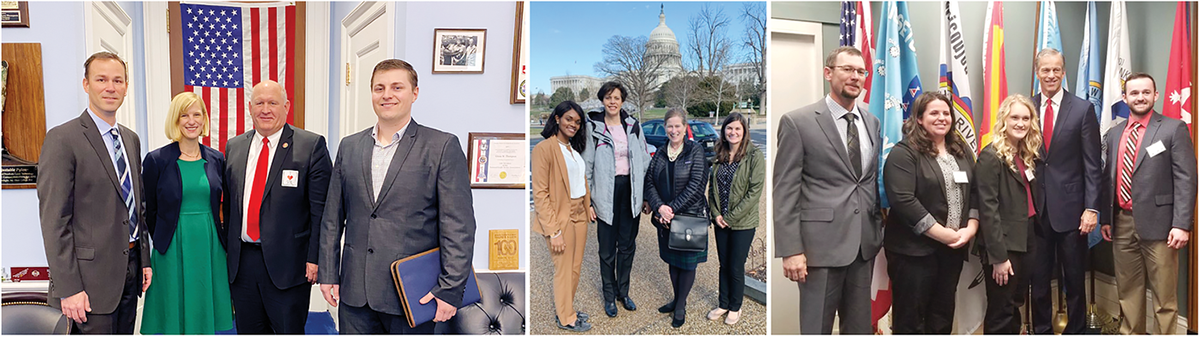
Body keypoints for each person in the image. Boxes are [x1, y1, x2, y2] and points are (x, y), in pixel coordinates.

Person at [318, 59, 476, 334]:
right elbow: (332, 218)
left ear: (414, 93)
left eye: (396, 87)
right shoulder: (349, 146)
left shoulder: (441, 146)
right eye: (379, 88)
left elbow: (458, 226)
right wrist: (329, 273)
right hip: (355, 295)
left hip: (413, 294)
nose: (387, 95)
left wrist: (450, 289)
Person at [38, 51, 152, 334]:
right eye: (101, 79)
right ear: (86, 84)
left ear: (126, 87)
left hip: (130, 272)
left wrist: (144, 260)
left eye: (118, 80)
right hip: (87, 285)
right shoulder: (63, 139)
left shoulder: (130, 139)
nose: (110, 87)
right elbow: (55, 221)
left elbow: (138, 206)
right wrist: (69, 288)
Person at [773, 46, 882, 334]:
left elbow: (866, 182)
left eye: (861, 71)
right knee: (816, 328)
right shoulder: (798, 122)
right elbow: (784, 190)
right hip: (818, 250)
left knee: (859, 329)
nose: (855, 77)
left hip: (863, 247)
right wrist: (791, 250)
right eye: (847, 69)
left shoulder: (872, 123)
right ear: (828, 72)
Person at [223, 80, 332, 334]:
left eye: (273, 103)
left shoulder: (310, 146)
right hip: (243, 265)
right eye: (259, 103)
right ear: (250, 107)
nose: (266, 109)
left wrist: (316, 259)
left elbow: (322, 212)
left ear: (286, 106)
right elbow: (229, 206)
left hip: (289, 265)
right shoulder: (234, 146)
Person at [1098, 73, 1196, 335]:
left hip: (1162, 226)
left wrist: (1181, 224)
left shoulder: (1173, 128)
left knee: (1164, 298)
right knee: (1128, 293)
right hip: (1122, 223)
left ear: (1156, 95)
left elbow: (1187, 179)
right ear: (1124, 97)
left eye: (1145, 92)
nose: (1139, 97)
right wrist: (1106, 219)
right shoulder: (1114, 134)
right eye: (1134, 93)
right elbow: (1109, 178)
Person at [882, 92, 978, 334]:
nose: (942, 118)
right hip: (913, 253)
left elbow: (976, 190)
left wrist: (971, 228)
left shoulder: (961, 150)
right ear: (920, 119)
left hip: (952, 251)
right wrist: (942, 234)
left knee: (942, 316)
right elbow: (903, 200)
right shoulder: (904, 153)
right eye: (934, 113)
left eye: (946, 113)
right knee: (911, 320)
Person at [139, 92, 233, 334]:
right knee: (173, 311)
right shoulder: (156, 160)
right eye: (184, 115)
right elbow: (147, 209)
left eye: (196, 114)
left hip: (209, 244)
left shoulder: (217, 159)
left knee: (204, 306)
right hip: (172, 244)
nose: (191, 121)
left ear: (204, 119)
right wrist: (162, 237)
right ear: (175, 120)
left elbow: (223, 203)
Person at [1029, 48, 1102, 335]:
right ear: (1038, 73)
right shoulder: (1026, 108)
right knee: (1038, 280)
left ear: (1063, 71)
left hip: (1073, 212)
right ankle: (1043, 330)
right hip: (1035, 210)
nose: (1051, 75)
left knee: (1073, 279)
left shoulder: (1082, 109)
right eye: (1045, 70)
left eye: (1056, 69)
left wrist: (1092, 208)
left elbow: (1092, 165)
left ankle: (1077, 330)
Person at [975, 95, 1043, 334]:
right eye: (1015, 117)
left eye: (1026, 118)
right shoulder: (990, 156)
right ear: (1004, 119)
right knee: (1001, 308)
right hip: (1004, 245)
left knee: (1015, 303)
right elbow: (988, 209)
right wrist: (999, 257)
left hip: (1027, 238)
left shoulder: (1026, 154)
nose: (1020, 123)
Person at [583, 81, 651, 317]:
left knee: (627, 247)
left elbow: (643, 160)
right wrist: (589, 201)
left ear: (623, 101)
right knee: (606, 250)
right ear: (602, 100)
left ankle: (623, 292)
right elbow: (587, 165)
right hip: (605, 193)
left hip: (629, 191)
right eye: (609, 97)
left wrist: (645, 196)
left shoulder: (633, 126)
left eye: (617, 98)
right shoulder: (593, 127)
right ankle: (609, 296)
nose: (613, 102)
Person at [644, 108, 709, 328]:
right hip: (665, 219)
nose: (673, 130)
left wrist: (670, 208)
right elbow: (649, 182)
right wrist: (659, 207)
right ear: (665, 128)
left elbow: (697, 186)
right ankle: (676, 298)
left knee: (688, 265)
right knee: (673, 262)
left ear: (684, 127)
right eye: (669, 126)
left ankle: (680, 305)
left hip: (689, 218)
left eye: (677, 126)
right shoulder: (661, 153)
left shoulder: (695, 151)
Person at [531, 100, 593, 332]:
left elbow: (580, 181)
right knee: (563, 269)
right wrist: (553, 231)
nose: (573, 125)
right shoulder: (544, 149)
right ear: (557, 119)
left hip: (579, 214)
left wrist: (588, 206)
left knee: (575, 267)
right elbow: (540, 193)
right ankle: (565, 316)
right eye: (569, 119)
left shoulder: (573, 149)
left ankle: (568, 308)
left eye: (577, 122)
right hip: (560, 217)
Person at [705, 112, 764, 326]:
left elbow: (754, 191)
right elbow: (712, 190)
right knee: (723, 264)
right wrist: (716, 214)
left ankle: (735, 306)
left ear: (744, 131)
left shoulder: (754, 155)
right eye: (729, 128)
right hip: (721, 221)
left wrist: (730, 217)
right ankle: (723, 302)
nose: (733, 132)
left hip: (743, 223)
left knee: (736, 265)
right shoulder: (719, 154)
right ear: (724, 131)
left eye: (737, 128)